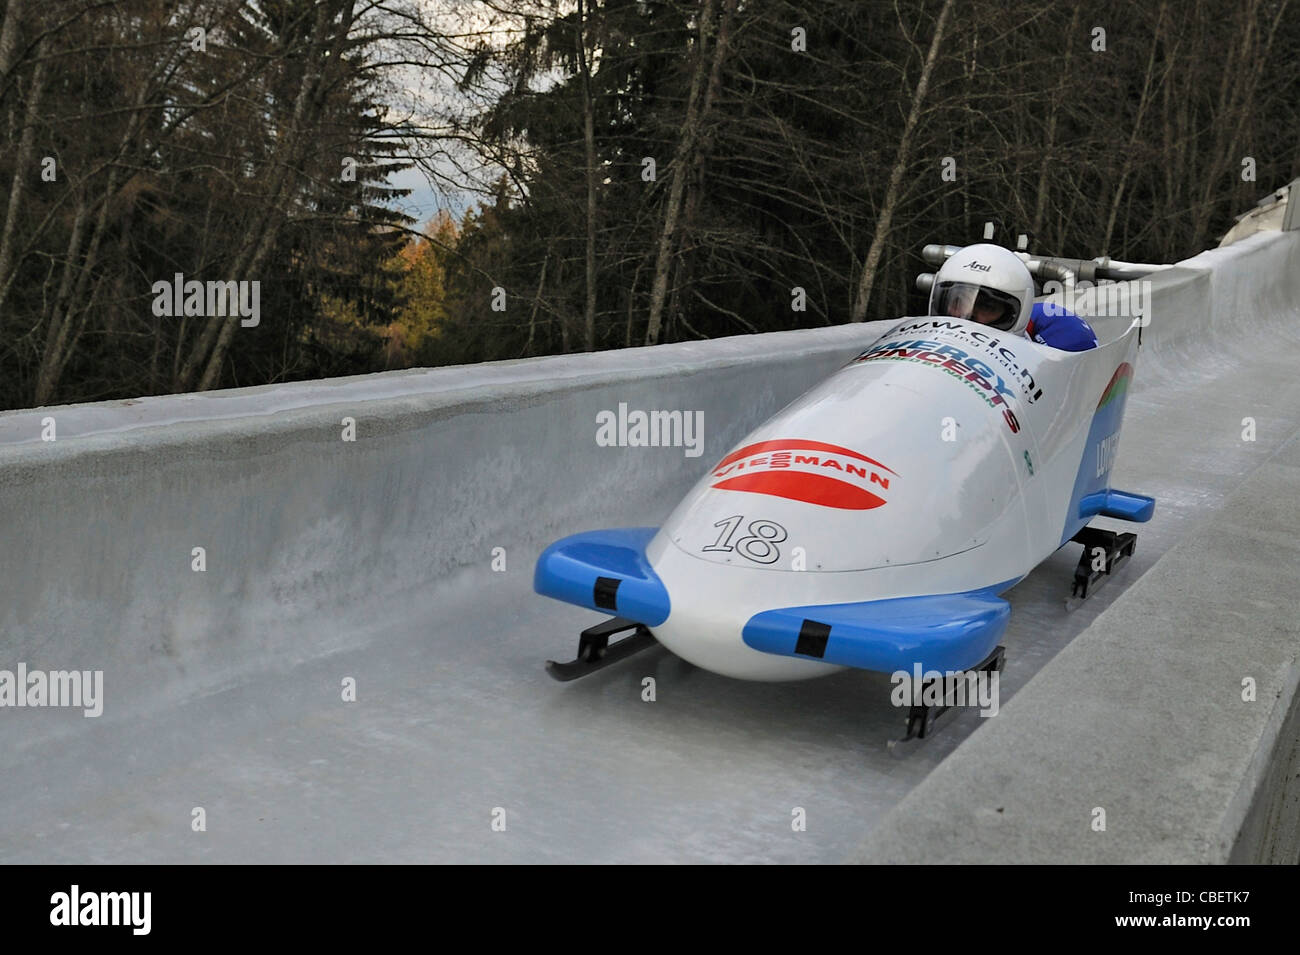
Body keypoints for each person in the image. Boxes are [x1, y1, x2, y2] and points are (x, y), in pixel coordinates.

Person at [928, 243, 1097, 351]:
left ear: (1015, 315)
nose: (968, 315)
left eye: (987, 306)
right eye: (958, 301)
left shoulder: (1058, 333)